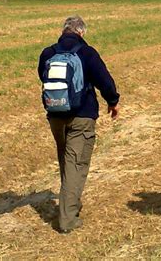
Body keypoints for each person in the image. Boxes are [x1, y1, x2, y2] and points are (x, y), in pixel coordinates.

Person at [38, 15, 120, 233]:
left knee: (66, 160)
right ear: (81, 32)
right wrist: (113, 102)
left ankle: (69, 202)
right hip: (81, 116)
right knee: (76, 164)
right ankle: (67, 219)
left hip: (55, 115)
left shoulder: (48, 53)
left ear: (63, 30)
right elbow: (105, 82)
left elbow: (42, 77)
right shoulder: (87, 52)